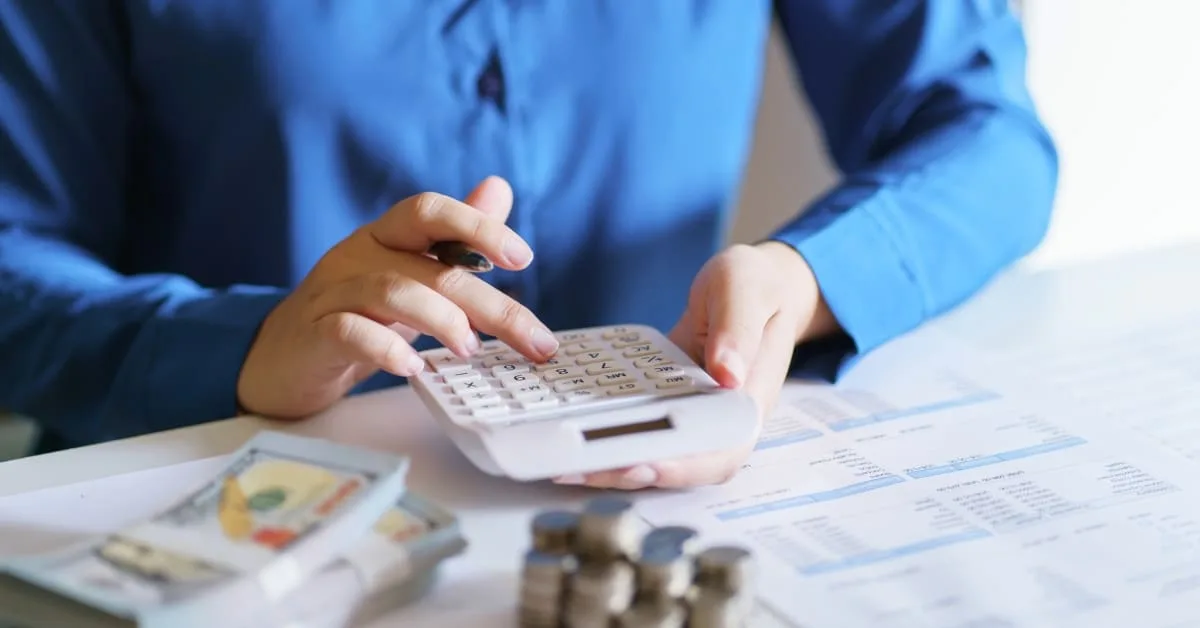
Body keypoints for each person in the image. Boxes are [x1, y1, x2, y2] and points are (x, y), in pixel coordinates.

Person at [0, 2, 1057, 489]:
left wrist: (808, 279)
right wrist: (242, 345)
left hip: (659, 526)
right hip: (202, 513)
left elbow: (987, 134)